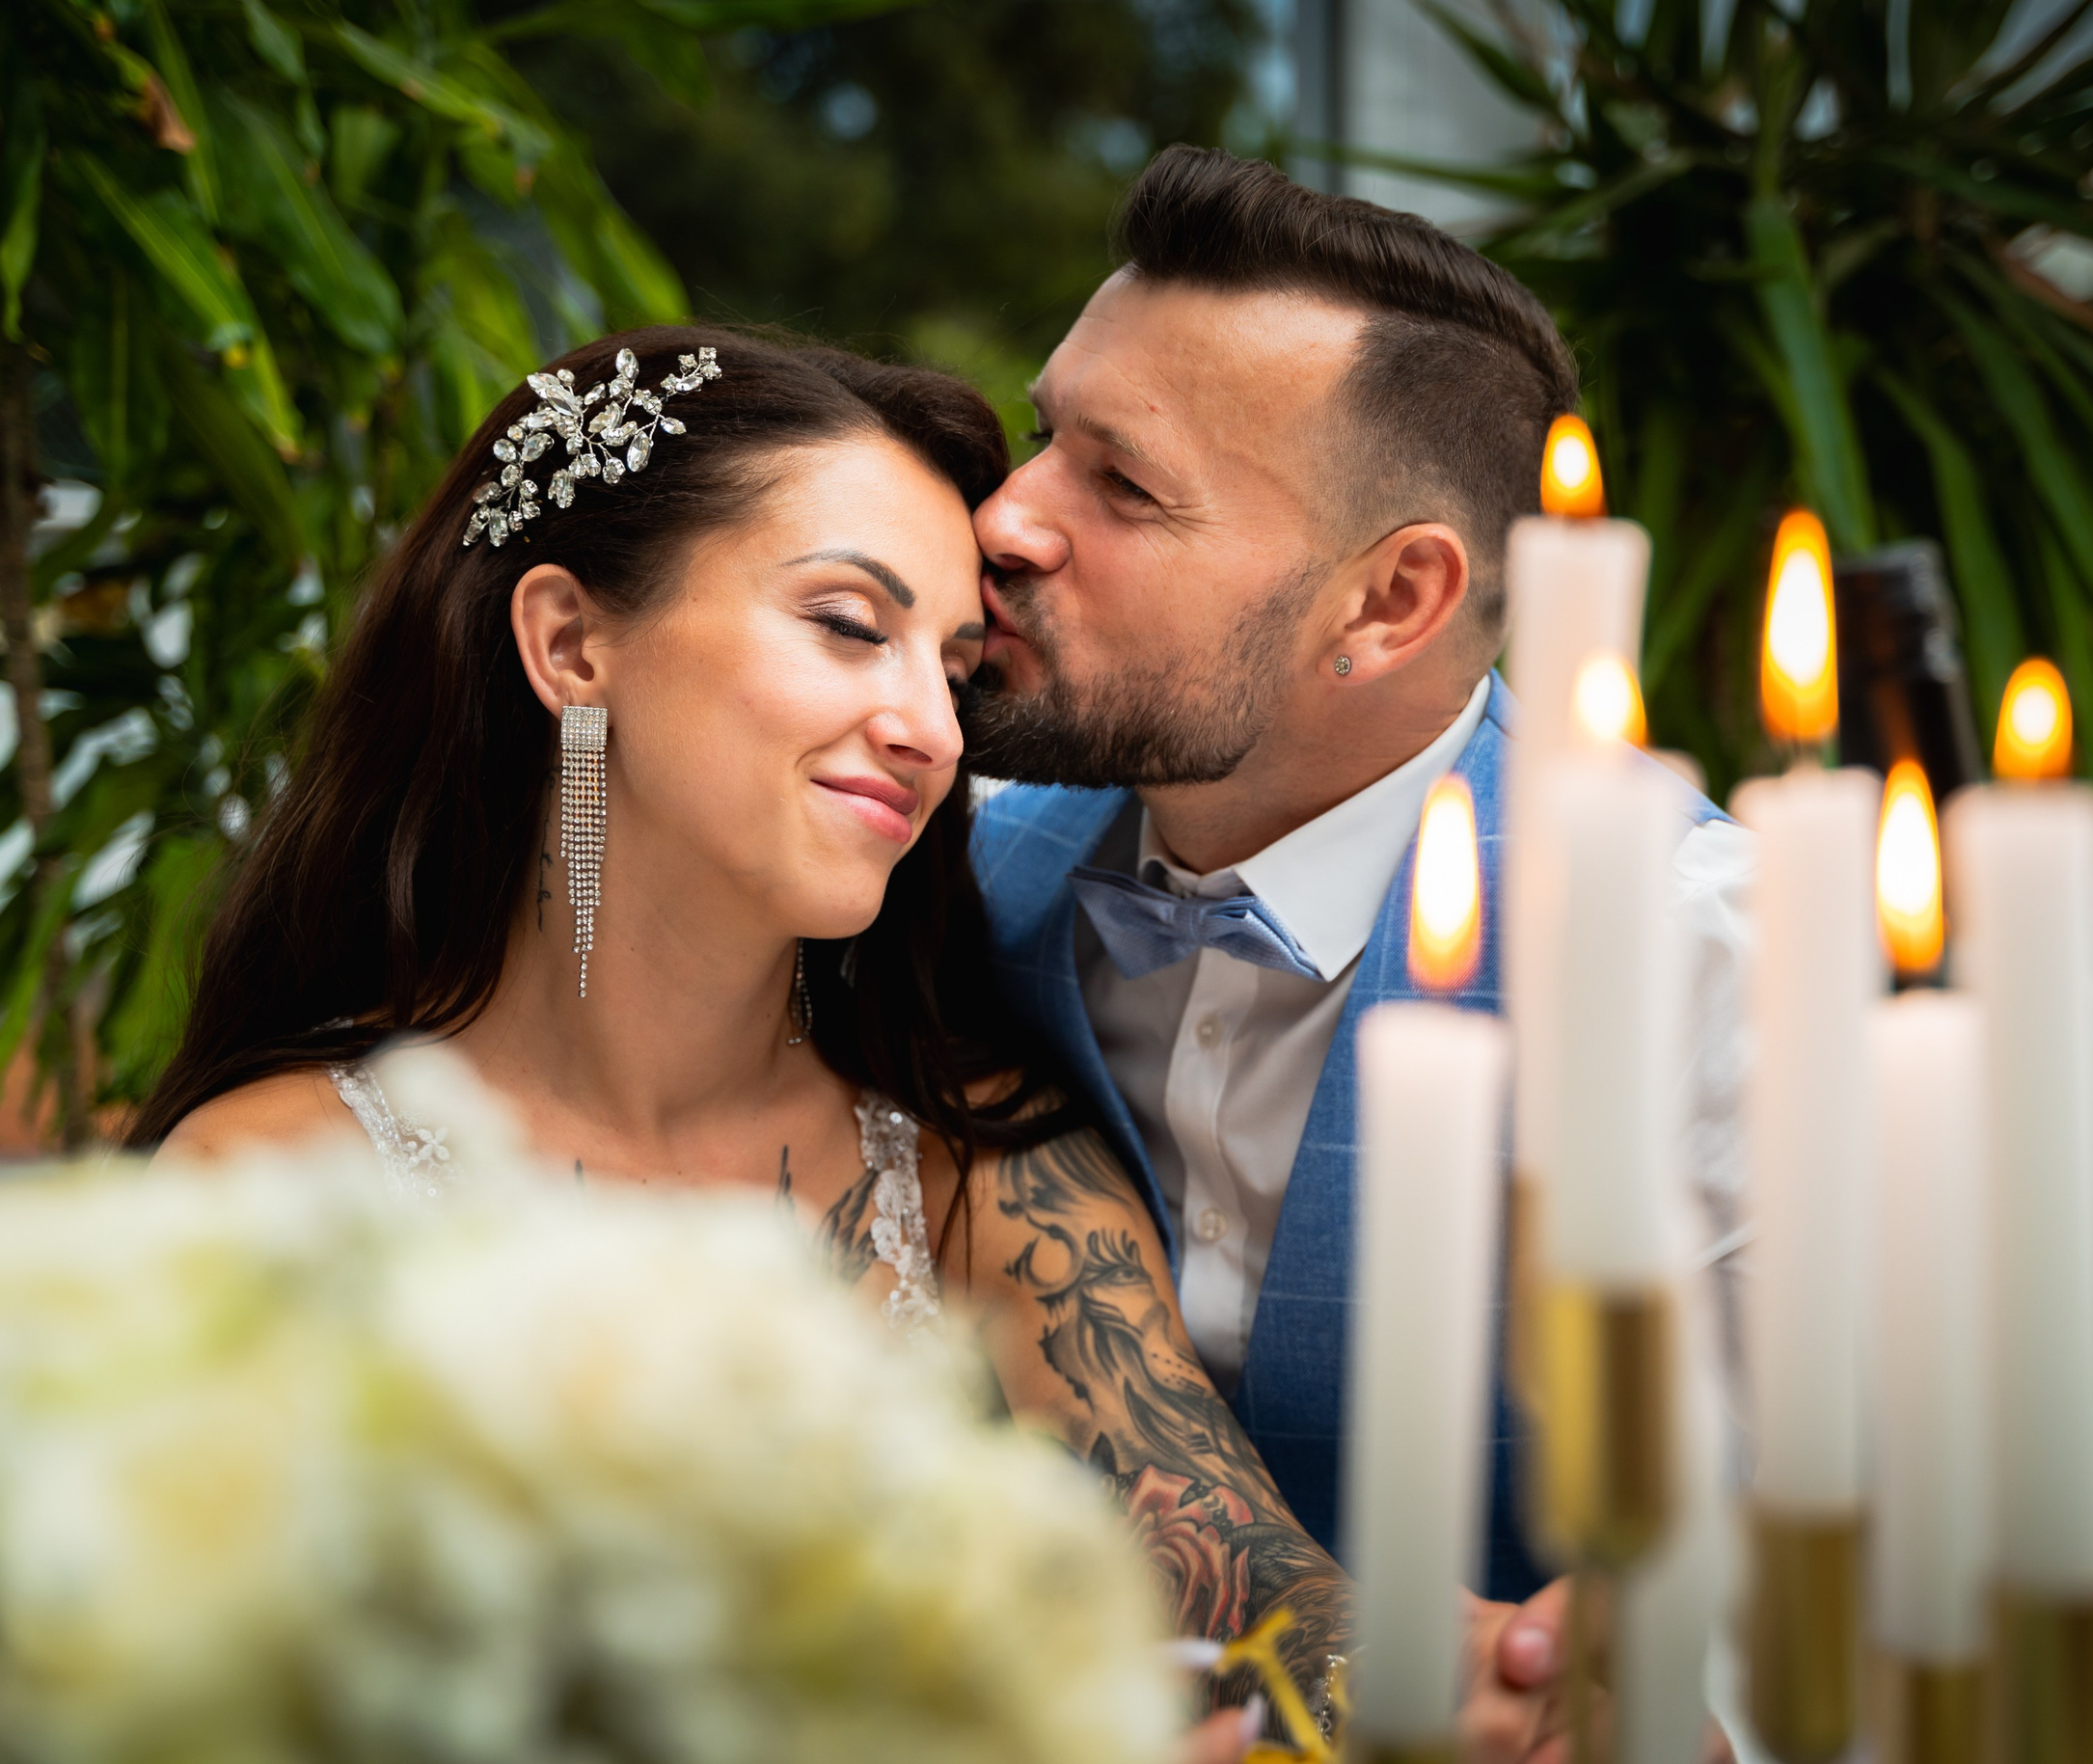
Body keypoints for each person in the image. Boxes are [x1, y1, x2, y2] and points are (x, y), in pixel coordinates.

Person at [135, 326, 1385, 1756]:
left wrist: (1466, 1670)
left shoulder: (977, 1164)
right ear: (570, 641)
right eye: (851, 625)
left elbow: (1258, 1593)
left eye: (958, 664)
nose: (927, 725)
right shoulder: (275, 1187)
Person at [965, 148, 1753, 1758]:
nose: (1004, 518)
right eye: (1045, 433)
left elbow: (1836, 1597)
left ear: (1392, 600)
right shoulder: (927, 860)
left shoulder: (1708, 967)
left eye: (1120, 484)